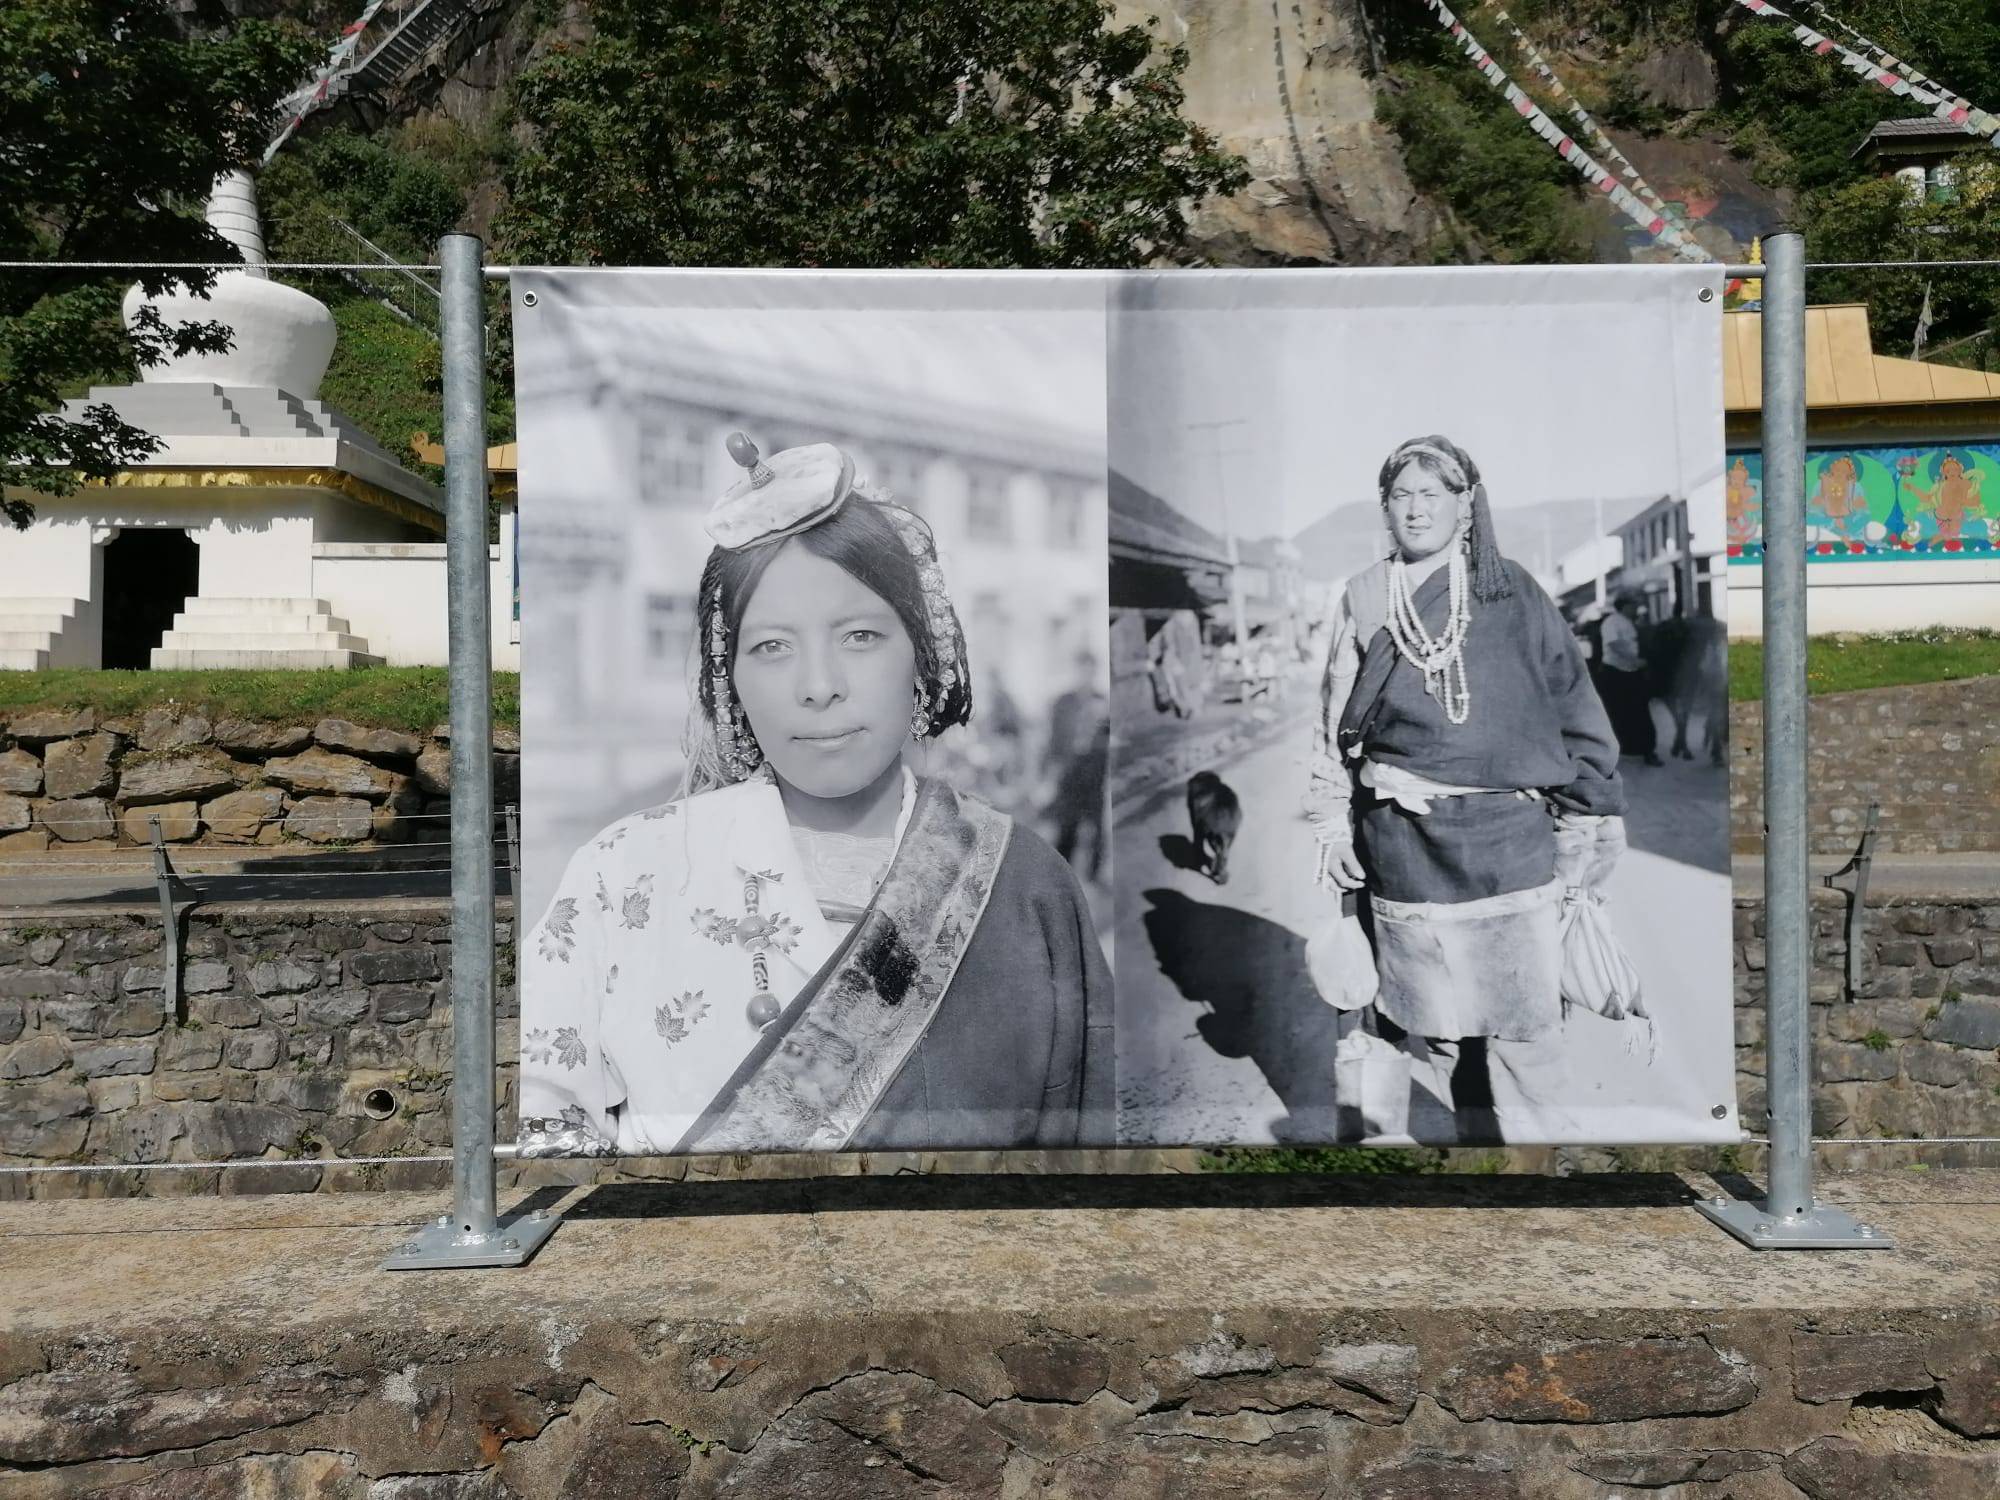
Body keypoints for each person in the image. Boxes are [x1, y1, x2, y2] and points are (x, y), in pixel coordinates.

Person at [519, 435, 1112, 1157]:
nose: (819, 684)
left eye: (860, 636)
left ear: (922, 658)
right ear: (727, 681)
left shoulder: (1022, 884)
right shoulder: (622, 873)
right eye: (771, 647)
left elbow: (1085, 1161)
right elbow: (546, 1142)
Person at [1304, 434, 1627, 1143]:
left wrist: (1588, 821)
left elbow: (1573, 705)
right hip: (1404, 848)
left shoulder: (1512, 592)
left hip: (1506, 846)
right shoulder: (1363, 596)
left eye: (1432, 494)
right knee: (1442, 1029)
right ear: (1384, 507)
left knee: (1526, 1033)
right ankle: (1480, 1160)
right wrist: (1333, 828)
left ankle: (1544, 1176)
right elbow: (1331, 725)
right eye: (1400, 495)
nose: (1415, 510)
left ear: (1465, 505)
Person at [1044, 649, 1109, 884]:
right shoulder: (1063, 702)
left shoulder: (1104, 703)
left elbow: (1112, 741)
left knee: (1096, 828)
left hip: (1094, 775)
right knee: (1066, 825)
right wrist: (1051, 773)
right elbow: (1053, 740)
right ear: (1077, 671)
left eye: (1091, 671)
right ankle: (1061, 874)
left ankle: (1094, 877)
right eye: (1083, 670)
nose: (1087, 676)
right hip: (1069, 773)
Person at [1599, 592, 1662, 767]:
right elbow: (1614, 644)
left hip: (1632, 672)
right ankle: (1615, 753)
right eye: (1633, 604)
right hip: (1614, 673)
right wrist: (1634, 660)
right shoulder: (1612, 622)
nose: (1636, 608)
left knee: (1641, 711)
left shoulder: (1629, 622)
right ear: (1624, 605)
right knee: (1615, 713)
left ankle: (1647, 751)